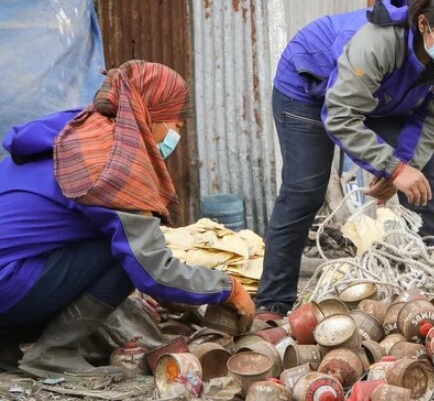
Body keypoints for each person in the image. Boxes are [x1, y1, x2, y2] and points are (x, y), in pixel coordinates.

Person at [0, 61, 254, 376]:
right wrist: (228, 289)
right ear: (150, 113)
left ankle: (6, 342)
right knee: (123, 254)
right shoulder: (113, 161)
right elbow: (153, 270)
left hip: (10, 273)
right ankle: (54, 352)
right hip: (7, 284)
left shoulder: (73, 131)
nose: (178, 132)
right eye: (176, 121)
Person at [257, 0, 434, 315]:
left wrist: (403, 169)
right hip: (308, 86)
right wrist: (391, 167)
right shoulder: (378, 42)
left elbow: (432, 120)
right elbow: (341, 115)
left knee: (421, 182)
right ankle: (273, 303)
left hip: (382, 97)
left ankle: (431, 286)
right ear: (423, 25)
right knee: (305, 189)